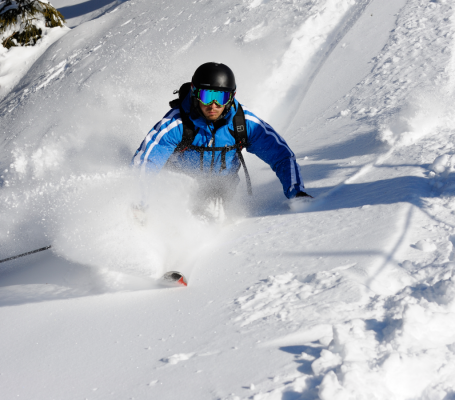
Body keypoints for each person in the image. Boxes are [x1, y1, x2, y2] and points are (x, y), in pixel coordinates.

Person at [132, 62, 312, 210]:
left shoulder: (243, 123)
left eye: (221, 98)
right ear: (195, 93)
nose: (213, 105)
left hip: (222, 188)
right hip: (178, 184)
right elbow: (147, 160)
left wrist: (297, 192)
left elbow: (281, 156)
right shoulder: (177, 124)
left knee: (214, 211)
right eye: (207, 95)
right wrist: (140, 199)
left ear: (231, 97)